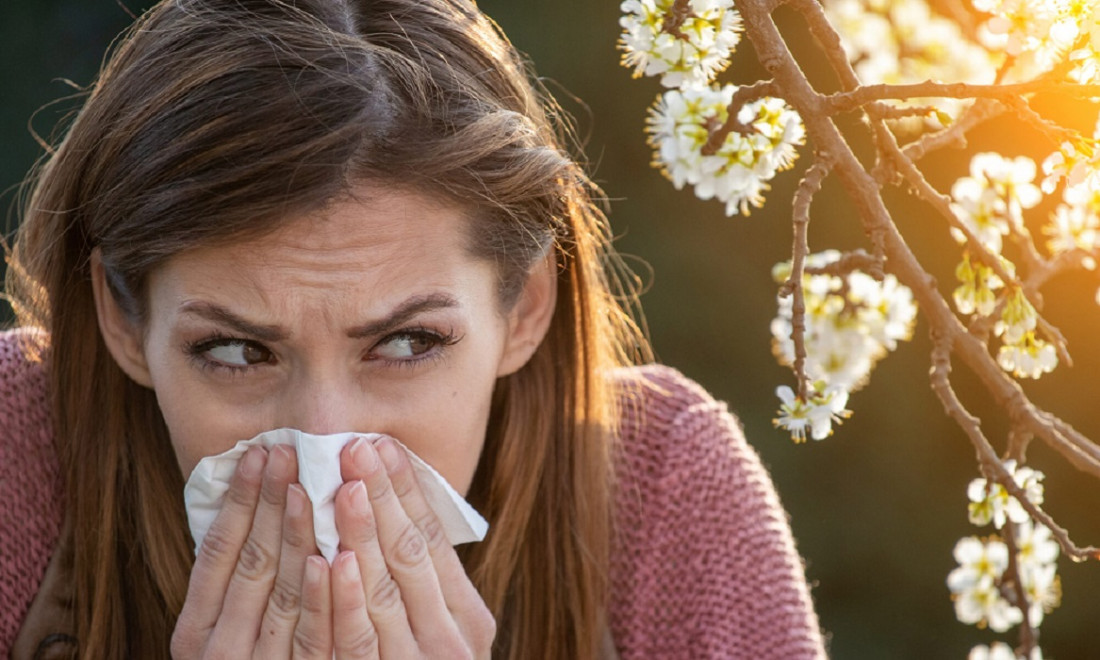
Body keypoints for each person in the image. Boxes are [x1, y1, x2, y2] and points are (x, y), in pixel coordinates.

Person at [0, 0, 827, 657]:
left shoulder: (659, 488)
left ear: (526, 308)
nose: (327, 441)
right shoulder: (19, 451)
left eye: (406, 343)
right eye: (235, 352)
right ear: (120, 320)